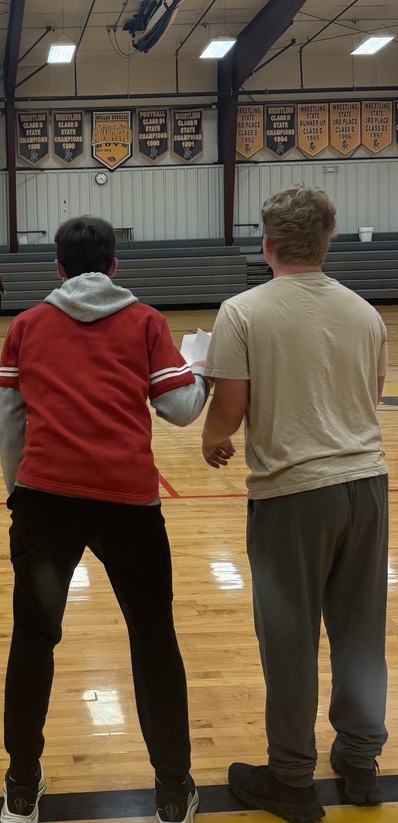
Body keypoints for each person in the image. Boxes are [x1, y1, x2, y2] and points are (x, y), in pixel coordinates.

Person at [0, 215, 208, 823]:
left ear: (57, 268)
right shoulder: (145, 321)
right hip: (129, 506)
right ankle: (172, 789)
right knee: (153, 640)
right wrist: (203, 371)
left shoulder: (28, 325)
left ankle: (21, 785)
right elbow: (181, 410)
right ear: (114, 266)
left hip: (45, 503)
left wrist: (20, 492)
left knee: (33, 642)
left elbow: (10, 422)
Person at [201, 185, 388, 823]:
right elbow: (371, 395)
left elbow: (229, 409)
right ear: (327, 239)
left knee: (289, 640)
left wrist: (211, 437)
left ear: (267, 243)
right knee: (360, 630)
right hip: (367, 484)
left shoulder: (243, 311)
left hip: (292, 495)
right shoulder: (366, 314)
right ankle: (361, 763)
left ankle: (290, 779)